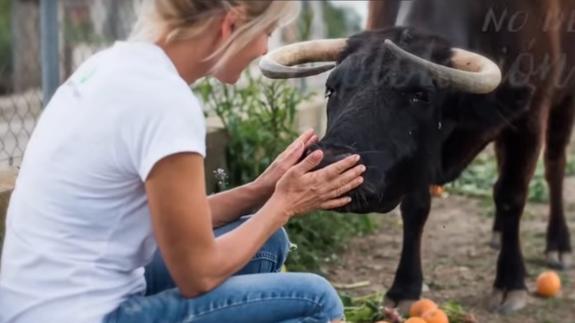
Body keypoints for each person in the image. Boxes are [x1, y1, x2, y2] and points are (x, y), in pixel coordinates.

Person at [0, 1, 366, 322]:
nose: (264, 48)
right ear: (231, 25)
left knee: (269, 244)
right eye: (266, 32)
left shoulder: (115, 66)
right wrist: (285, 204)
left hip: (33, 305)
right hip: (87, 314)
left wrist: (262, 190)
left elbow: (180, 226)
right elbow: (198, 275)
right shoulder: (165, 102)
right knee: (315, 301)